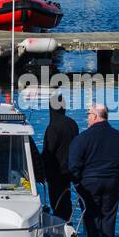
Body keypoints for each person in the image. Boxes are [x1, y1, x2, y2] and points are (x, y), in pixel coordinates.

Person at [67, 103, 119, 237]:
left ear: (95, 116)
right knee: (109, 215)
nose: (87, 117)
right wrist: (118, 178)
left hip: (89, 183)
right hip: (112, 182)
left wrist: (78, 182)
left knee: (91, 215)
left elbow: (73, 164)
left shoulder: (82, 138)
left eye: (88, 113)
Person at [41, 93, 79, 221]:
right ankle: (68, 223)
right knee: (66, 199)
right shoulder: (73, 124)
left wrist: (41, 168)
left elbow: (49, 151)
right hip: (70, 171)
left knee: (56, 202)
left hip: (55, 172)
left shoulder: (52, 127)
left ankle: (59, 226)